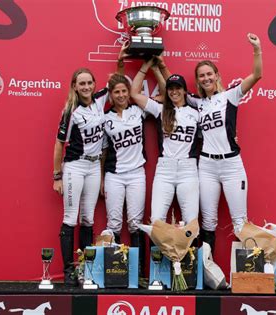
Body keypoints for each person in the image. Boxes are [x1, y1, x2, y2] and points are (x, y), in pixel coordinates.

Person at [52, 45, 127, 285]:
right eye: (81, 83)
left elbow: (117, 79)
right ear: (74, 86)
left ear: (94, 85)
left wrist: (120, 60)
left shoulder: (99, 100)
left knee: (88, 219)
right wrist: (57, 176)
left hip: (95, 168)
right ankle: (68, 271)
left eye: (89, 83)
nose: (86, 87)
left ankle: (85, 268)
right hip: (75, 167)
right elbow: (58, 144)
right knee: (70, 217)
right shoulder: (70, 111)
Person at [187, 33, 263, 251]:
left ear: (216, 75)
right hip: (207, 166)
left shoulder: (230, 96)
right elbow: (174, 91)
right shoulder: (197, 103)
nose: (205, 78)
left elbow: (257, 75)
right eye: (201, 76)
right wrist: (159, 66)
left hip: (231, 165)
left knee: (240, 221)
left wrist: (257, 49)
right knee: (208, 222)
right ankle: (207, 274)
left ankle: (248, 278)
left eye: (209, 74)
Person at [131, 59, 200, 228]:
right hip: (165, 170)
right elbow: (134, 94)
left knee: (191, 222)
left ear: (185, 91)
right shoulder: (160, 109)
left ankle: (187, 255)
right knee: (157, 221)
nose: (174, 91)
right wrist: (145, 66)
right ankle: (158, 256)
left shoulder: (196, 112)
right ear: (166, 91)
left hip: (188, 170)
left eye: (178, 88)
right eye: (171, 88)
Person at [101, 73, 147, 278]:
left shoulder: (138, 111)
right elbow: (103, 151)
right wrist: (102, 177)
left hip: (137, 173)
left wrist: (146, 66)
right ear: (110, 95)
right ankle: (117, 272)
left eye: (124, 91)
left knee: (136, 224)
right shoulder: (105, 119)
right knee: (114, 224)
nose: (120, 95)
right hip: (114, 175)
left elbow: (162, 98)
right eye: (116, 92)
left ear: (129, 93)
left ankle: (138, 273)